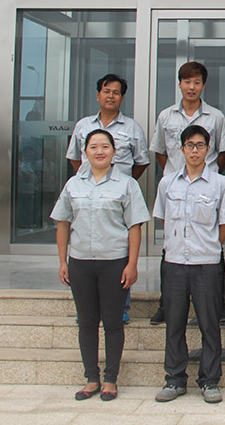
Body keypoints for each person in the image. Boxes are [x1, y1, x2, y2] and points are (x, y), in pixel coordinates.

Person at [51, 129, 150, 402]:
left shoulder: (127, 184)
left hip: (114, 262)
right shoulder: (73, 184)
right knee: (86, 322)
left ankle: (110, 379)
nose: (99, 151)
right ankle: (91, 378)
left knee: (113, 323)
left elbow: (135, 226)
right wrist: (62, 261)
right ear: (85, 152)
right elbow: (63, 224)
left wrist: (132, 264)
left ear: (114, 152)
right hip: (80, 262)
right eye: (93, 147)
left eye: (105, 146)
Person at [153, 126, 225, 405]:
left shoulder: (220, 183)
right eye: (190, 145)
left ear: (208, 149)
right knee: (174, 323)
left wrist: (207, 247)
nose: (195, 150)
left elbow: (223, 224)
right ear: (181, 149)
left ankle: (209, 380)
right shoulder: (167, 184)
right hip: (174, 262)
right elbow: (164, 219)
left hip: (206, 264)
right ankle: (174, 379)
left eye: (200, 145)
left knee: (209, 324)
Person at [148, 62, 225, 325]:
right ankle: (166, 304)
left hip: (207, 187)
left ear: (203, 85)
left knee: (213, 246)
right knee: (172, 246)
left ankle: (218, 305)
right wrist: (176, 174)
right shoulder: (166, 116)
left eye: (196, 82)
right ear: (180, 84)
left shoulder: (215, 117)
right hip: (177, 187)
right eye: (187, 82)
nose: (191, 87)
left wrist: (206, 175)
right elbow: (160, 151)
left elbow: (223, 152)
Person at [67, 73, 149, 324]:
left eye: (116, 92)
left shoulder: (132, 128)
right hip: (87, 197)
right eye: (106, 91)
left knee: (119, 251)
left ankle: (120, 307)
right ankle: (87, 310)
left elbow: (141, 161)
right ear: (97, 95)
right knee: (86, 246)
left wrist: (122, 183)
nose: (110, 96)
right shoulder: (83, 126)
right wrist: (89, 178)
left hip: (118, 198)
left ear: (122, 98)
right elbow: (74, 157)